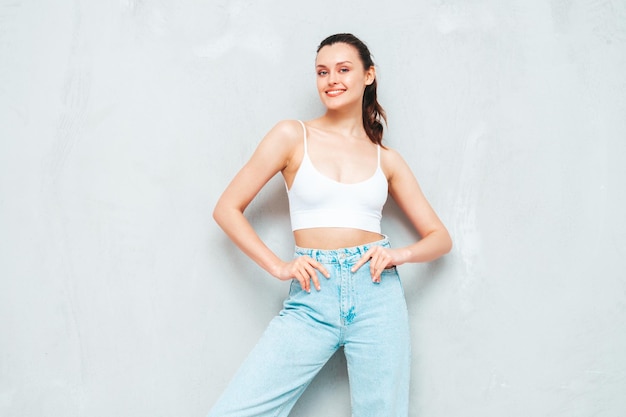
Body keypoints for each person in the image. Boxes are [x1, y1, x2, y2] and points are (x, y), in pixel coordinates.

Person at [208, 33, 452, 417]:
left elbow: (441, 239)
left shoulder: (386, 159)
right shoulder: (292, 135)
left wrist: (398, 255)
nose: (331, 80)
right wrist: (279, 265)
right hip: (313, 291)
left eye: (343, 69)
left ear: (368, 75)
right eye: (322, 72)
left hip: (377, 296)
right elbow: (226, 208)